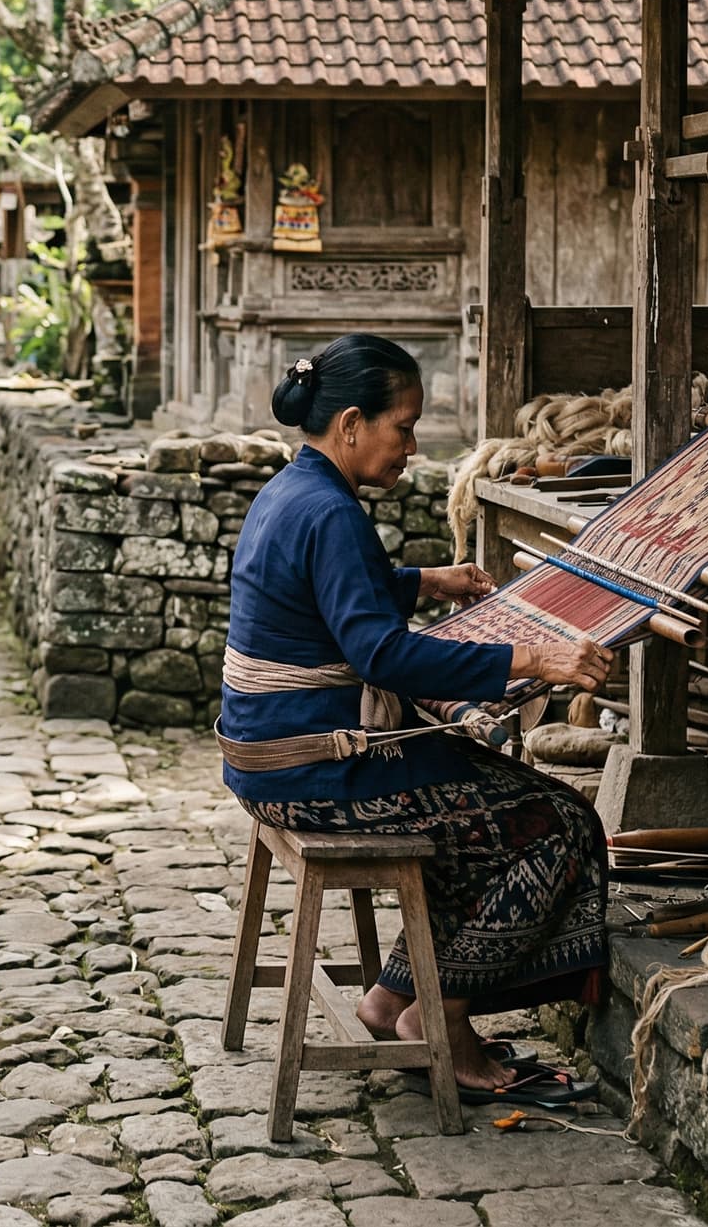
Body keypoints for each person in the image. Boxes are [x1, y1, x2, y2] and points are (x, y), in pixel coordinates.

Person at [222, 334, 613, 1106]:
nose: (411, 445)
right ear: (352, 424)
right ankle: (447, 1018)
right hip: (315, 773)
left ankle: (390, 999)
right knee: (555, 821)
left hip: (265, 759)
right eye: (403, 427)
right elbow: (382, 655)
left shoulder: (293, 490)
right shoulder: (331, 511)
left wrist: (426, 580)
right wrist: (534, 659)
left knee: (487, 799)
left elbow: (338, 593)